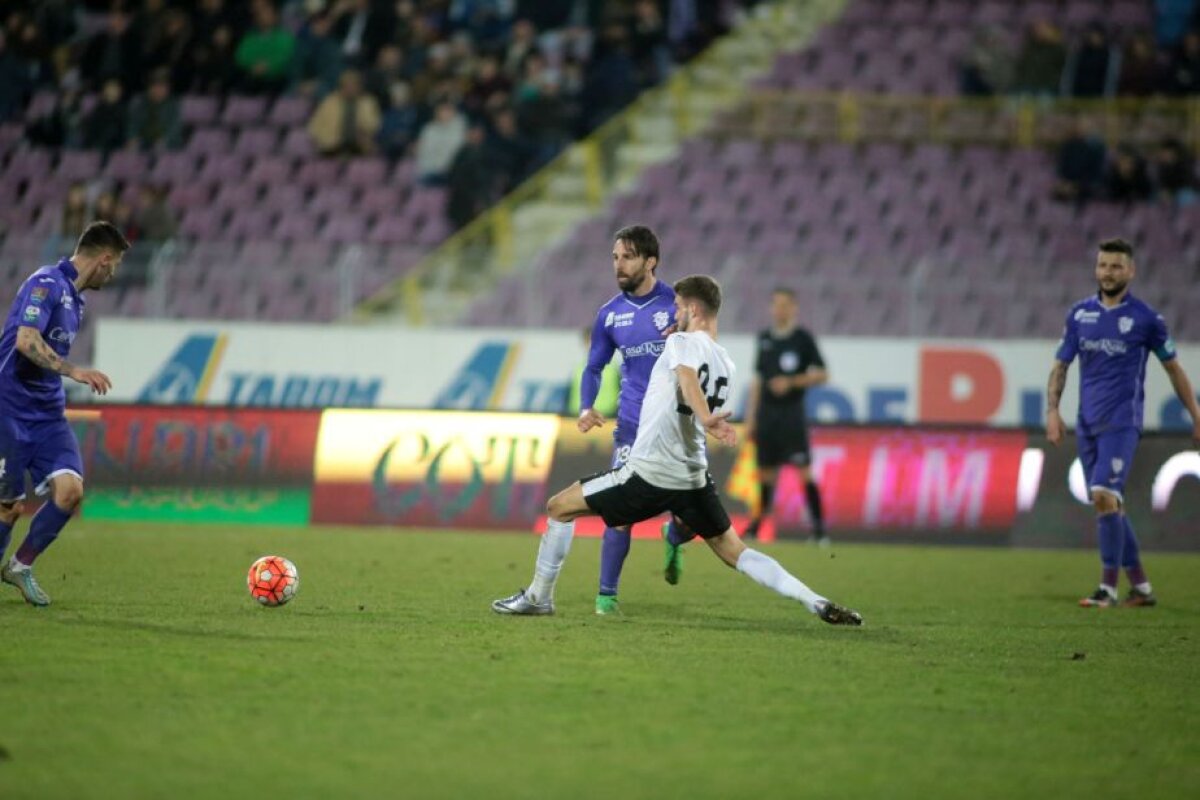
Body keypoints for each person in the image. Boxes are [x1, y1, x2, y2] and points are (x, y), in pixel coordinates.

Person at [491, 275, 862, 626]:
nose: (672, 314)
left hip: (649, 472)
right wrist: (706, 414)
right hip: (693, 478)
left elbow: (685, 377)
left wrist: (705, 417)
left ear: (694, 311)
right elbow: (688, 376)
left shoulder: (679, 344)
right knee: (736, 551)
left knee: (559, 507)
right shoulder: (726, 362)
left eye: (678, 307)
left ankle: (540, 597)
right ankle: (815, 600)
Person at [1046, 238, 1200, 609]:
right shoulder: (1079, 315)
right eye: (1103, 265)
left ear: (1131, 271)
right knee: (1110, 504)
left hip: (1122, 423)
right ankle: (1142, 588)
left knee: (1103, 496)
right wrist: (1053, 410)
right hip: (1087, 424)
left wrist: (1196, 415)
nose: (1108, 272)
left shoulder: (1147, 320)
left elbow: (1174, 370)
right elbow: (1061, 365)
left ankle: (1107, 589)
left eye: (1116, 266)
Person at [0, 221, 128, 607]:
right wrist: (76, 371)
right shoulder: (47, 283)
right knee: (9, 506)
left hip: (47, 411)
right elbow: (26, 341)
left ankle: (20, 567)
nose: (114, 272)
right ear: (104, 259)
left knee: (71, 493)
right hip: (10, 407)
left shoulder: (76, 298)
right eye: (116, 264)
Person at [564, 225, 675, 615]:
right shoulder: (609, 315)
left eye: (627, 256)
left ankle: (675, 535)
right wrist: (586, 405)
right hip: (631, 426)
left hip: (677, 429)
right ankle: (606, 596)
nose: (619, 265)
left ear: (650, 261)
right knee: (620, 512)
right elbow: (593, 367)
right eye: (615, 257)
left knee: (691, 521)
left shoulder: (678, 305)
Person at [742, 288, 829, 544]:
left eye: (784, 305)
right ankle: (758, 526)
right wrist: (751, 417)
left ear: (794, 308)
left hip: (792, 416)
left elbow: (822, 374)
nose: (779, 310)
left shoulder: (802, 339)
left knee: (804, 471)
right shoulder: (765, 338)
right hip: (768, 416)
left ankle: (819, 530)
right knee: (766, 474)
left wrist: (791, 382)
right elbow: (758, 380)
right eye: (776, 305)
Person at [566, 324, 618, 419]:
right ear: (584, 343)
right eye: (588, 341)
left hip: (607, 420)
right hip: (578, 420)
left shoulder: (615, 370)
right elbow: (569, 398)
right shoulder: (577, 369)